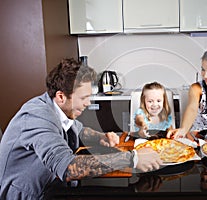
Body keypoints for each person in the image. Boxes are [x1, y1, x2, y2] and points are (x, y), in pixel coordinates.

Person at [0, 58, 162, 199]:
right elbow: (69, 168)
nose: (88, 103)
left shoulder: (56, 108)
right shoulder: (37, 117)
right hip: (27, 195)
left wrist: (101, 137)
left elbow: (79, 129)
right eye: (84, 98)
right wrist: (132, 158)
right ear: (61, 96)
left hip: (52, 187)